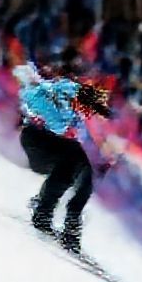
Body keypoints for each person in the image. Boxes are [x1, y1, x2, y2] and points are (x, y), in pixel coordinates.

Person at [12, 62, 111, 253]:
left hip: (54, 145)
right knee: (74, 158)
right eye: (86, 109)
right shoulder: (59, 105)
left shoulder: (74, 95)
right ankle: (44, 209)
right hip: (35, 141)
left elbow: (86, 133)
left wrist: (101, 159)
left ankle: (67, 224)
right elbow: (32, 96)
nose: (87, 114)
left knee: (83, 165)